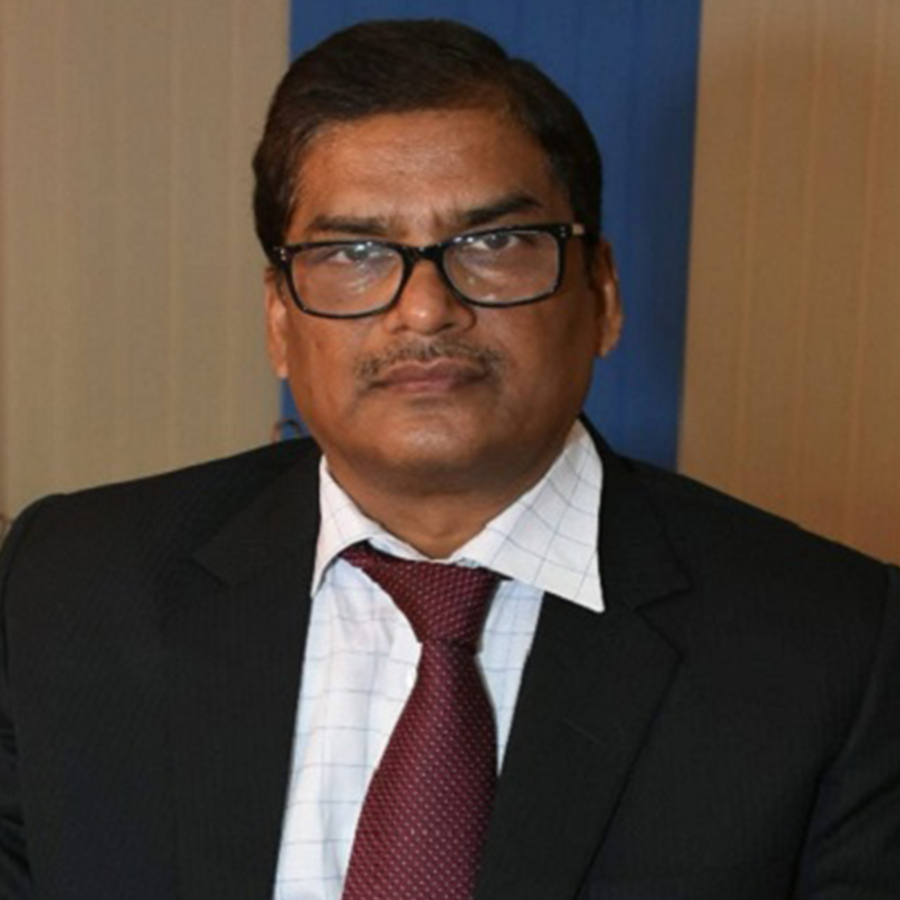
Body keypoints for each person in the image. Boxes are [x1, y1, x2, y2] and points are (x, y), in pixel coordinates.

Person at [0, 18, 898, 900]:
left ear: (602, 293)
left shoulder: (836, 648)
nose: (425, 309)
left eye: (493, 243)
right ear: (278, 318)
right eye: (355, 251)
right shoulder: (70, 585)